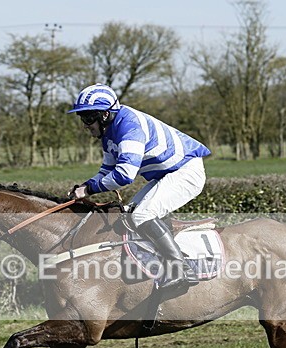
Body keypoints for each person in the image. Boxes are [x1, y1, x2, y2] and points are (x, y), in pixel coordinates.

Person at [67, 83, 211, 294]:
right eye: (82, 118)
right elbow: (107, 169)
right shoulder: (109, 132)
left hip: (186, 172)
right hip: (167, 175)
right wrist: (84, 186)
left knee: (142, 215)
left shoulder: (129, 126)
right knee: (129, 215)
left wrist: (89, 190)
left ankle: (181, 270)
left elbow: (124, 175)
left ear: (105, 115)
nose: (85, 125)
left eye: (88, 118)